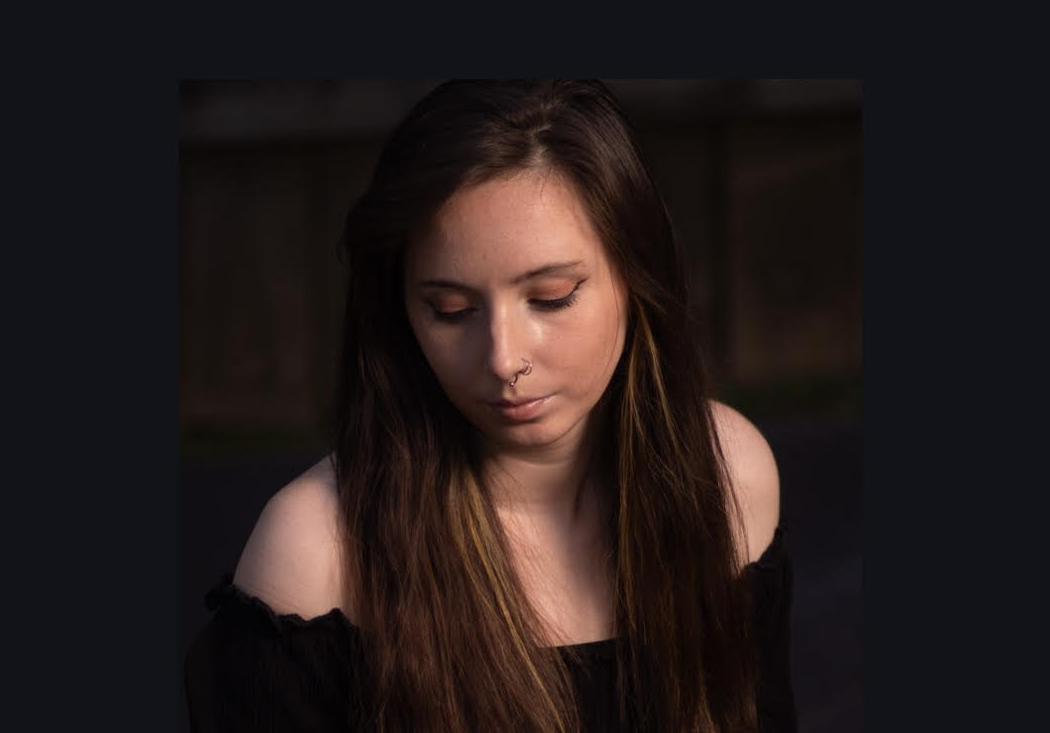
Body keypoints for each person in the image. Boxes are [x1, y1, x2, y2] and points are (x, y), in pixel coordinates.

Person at [184, 79, 796, 732]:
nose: (504, 359)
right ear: (400, 311)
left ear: (636, 275)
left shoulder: (728, 472)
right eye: (450, 309)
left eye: (552, 295)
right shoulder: (315, 555)